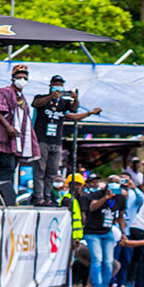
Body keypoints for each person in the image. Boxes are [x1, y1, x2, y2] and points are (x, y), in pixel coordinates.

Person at [31, 75, 101, 206]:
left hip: (56, 141)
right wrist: (50, 97)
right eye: (56, 83)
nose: (58, 86)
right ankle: (38, 197)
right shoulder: (41, 98)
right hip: (41, 139)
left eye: (60, 84)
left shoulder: (63, 104)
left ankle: (48, 198)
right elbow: (35, 104)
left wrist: (76, 100)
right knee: (40, 169)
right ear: (51, 84)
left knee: (52, 171)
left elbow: (74, 111)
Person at [0, 64, 40, 181]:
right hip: (4, 138)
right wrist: (8, 127)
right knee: (6, 167)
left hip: (15, 140)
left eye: (25, 78)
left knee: (12, 168)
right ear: (13, 78)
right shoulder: (4, 91)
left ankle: (7, 195)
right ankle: (3, 196)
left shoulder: (21, 97)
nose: (22, 80)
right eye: (20, 77)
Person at [82, 175, 127, 287]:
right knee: (97, 259)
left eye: (117, 183)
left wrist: (123, 233)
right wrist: (105, 197)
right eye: (112, 182)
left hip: (108, 232)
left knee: (108, 261)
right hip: (92, 232)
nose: (114, 185)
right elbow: (92, 207)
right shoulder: (98, 194)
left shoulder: (121, 198)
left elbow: (121, 216)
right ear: (107, 183)